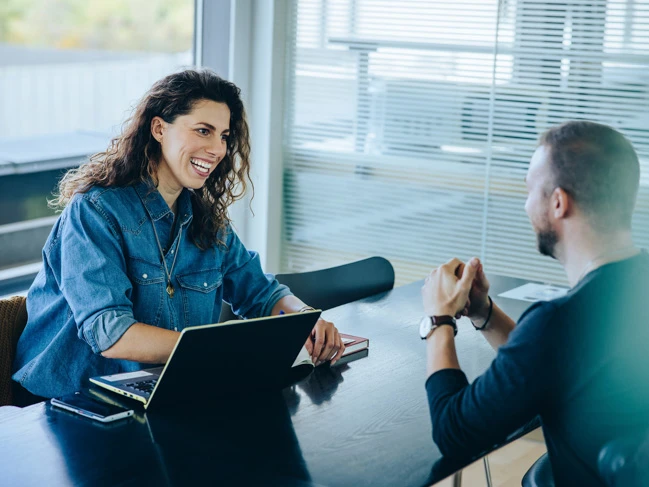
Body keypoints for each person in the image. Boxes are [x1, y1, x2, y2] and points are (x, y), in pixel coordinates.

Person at [12, 69, 344, 402]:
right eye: (204, 131)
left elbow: (261, 293)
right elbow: (110, 333)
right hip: (65, 402)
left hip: (161, 389)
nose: (218, 149)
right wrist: (215, 351)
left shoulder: (206, 220)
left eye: (225, 136)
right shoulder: (96, 211)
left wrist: (305, 320)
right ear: (159, 128)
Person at [419, 121, 649, 485]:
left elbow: (454, 432)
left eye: (529, 190)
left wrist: (437, 320)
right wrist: (483, 312)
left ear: (558, 203)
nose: (525, 204)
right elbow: (553, 365)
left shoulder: (561, 321)